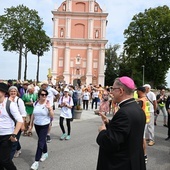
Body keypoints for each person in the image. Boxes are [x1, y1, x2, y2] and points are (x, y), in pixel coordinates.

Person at [96, 76, 146, 170]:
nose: (111, 92)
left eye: (113, 89)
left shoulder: (124, 112)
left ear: (121, 91)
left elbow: (109, 142)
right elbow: (127, 131)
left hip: (121, 164)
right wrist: (109, 123)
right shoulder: (137, 108)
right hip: (133, 161)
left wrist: (102, 131)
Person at [28, 89, 54, 170]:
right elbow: (33, 114)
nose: (44, 96)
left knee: (40, 142)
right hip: (37, 124)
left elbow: (52, 116)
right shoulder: (36, 103)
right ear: (39, 95)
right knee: (41, 140)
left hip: (44, 125)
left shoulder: (48, 103)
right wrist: (30, 125)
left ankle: (36, 161)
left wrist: (49, 108)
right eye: (42, 94)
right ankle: (45, 153)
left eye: (45, 95)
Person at [0, 83, 23, 170]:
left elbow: (20, 120)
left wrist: (14, 134)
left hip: (7, 135)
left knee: (5, 160)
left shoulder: (10, 104)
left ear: (3, 92)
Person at [8, 86, 26, 159]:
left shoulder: (19, 101)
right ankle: (18, 149)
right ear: (9, 92)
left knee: (13, 142)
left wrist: (22, 124)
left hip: (18, 123)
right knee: (12, 138)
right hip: (9, 123)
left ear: (17, 92)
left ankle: (9, 160)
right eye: (11, 91)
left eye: (14, 91)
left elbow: (23, 113)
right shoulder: (7, 100)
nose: (13, 93)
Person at [136, 86, 150, 164]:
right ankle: (143, 154)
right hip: (146, 120)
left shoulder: (141, 100)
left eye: (137, 91)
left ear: (140, 91)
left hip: (142, 121)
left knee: (142, 138)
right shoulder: (146, 99)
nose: (137, 93)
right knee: (142, 137)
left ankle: (144, 155)